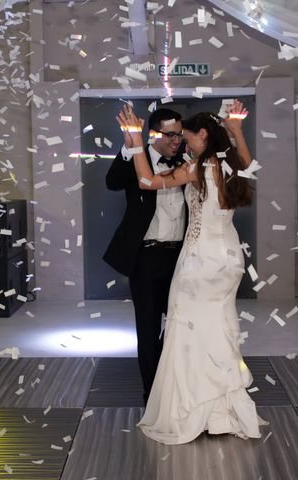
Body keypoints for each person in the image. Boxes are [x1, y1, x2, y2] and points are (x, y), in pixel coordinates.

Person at [117, 100, 268, 445]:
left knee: (188, 329)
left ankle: (194, 409)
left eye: (188, 138)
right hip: (228, 259)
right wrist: (237, 128)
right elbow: (250, 164)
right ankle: (222, 409)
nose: (185, 144)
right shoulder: (232, 164)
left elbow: (146, 180)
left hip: (199, 260)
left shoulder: (199, 167)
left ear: (203, 135)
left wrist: (135, 141)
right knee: (218, 326)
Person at [103, 106, 187, 405]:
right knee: (149, 327)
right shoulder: (136, 157)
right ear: (154, 134)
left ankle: (175, 381)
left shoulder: (187, 162)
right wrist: (128, 149)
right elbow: (111, 182)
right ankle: (152, 395)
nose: (177, 140)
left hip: (181, 257)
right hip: (147, 256)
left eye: (179, 134)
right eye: (171, 134)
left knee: (184, 321)